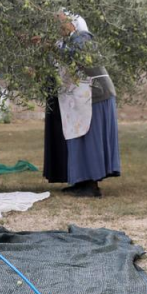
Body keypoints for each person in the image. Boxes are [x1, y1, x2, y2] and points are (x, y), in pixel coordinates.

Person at [42, 12, 121, 198]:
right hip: (83, 97)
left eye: (62, 22)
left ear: (73, 24)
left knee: (90, 139)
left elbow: (75, 57)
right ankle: (81, 181)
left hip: (95, 96)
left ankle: (91, 185)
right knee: (80, 138)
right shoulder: (67, 42)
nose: (59, 26)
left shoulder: (82, 38)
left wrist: (50, 47)